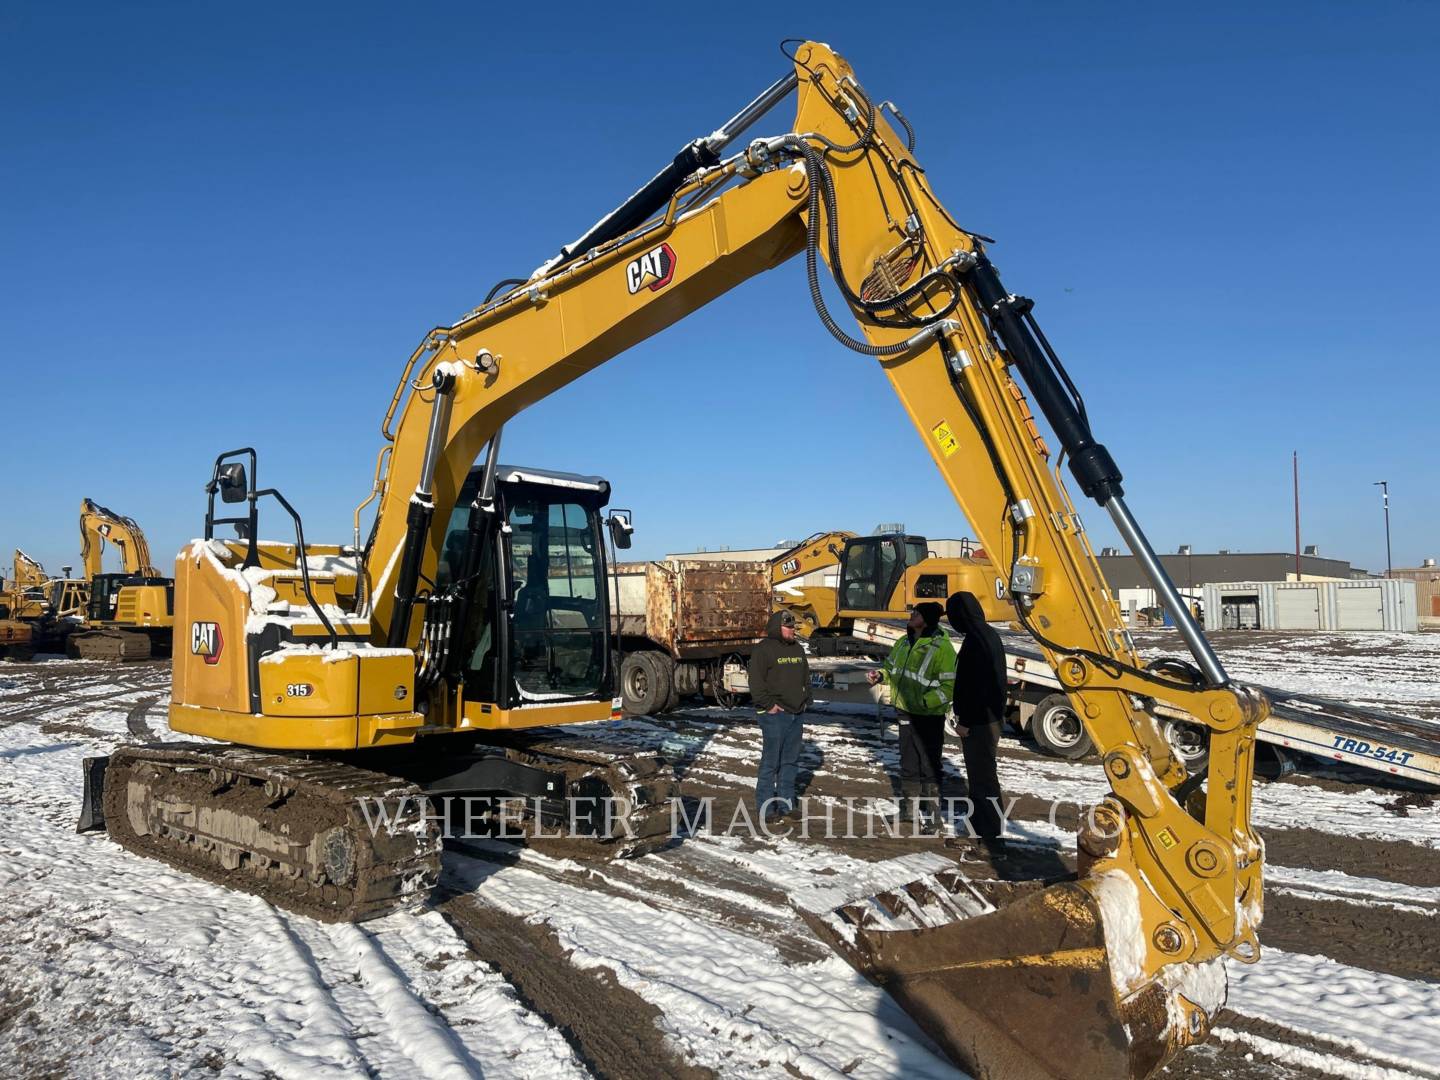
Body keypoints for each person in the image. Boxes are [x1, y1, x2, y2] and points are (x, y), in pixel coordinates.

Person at [867, 601, 955, 833]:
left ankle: (934, 819)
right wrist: (881, 675)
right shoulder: (903, 642)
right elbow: (892, 668)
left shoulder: (942, 648)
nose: (911, 614)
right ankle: (908, 811)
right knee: (908, 764)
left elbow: (949, 686)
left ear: (926, 620)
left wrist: (927, 702)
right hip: (905, 713)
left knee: (930, 766)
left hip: (928, 717)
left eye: (916, 613)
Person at [946, 591, 1008, 842]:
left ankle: (991, 837)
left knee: (983, 781)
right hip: (987, 718)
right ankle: (976, 827)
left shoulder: (977, 640)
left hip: (980, 722)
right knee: (979, 778)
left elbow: (978, 687)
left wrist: (966, 722)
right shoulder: (986, 635)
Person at [746, 610, 812, 822]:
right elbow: (755, 683)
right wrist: (768, 705)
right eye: (789, 627)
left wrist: (806, 699)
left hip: (796, 713)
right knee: (771, 763)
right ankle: (766, 809)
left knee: (790, 762)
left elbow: (806, 676)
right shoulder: (763, 650)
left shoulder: (798, 649)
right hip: (775, 715)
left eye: (794, 627)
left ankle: (786, 805)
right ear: (777, 627)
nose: (793, 630)